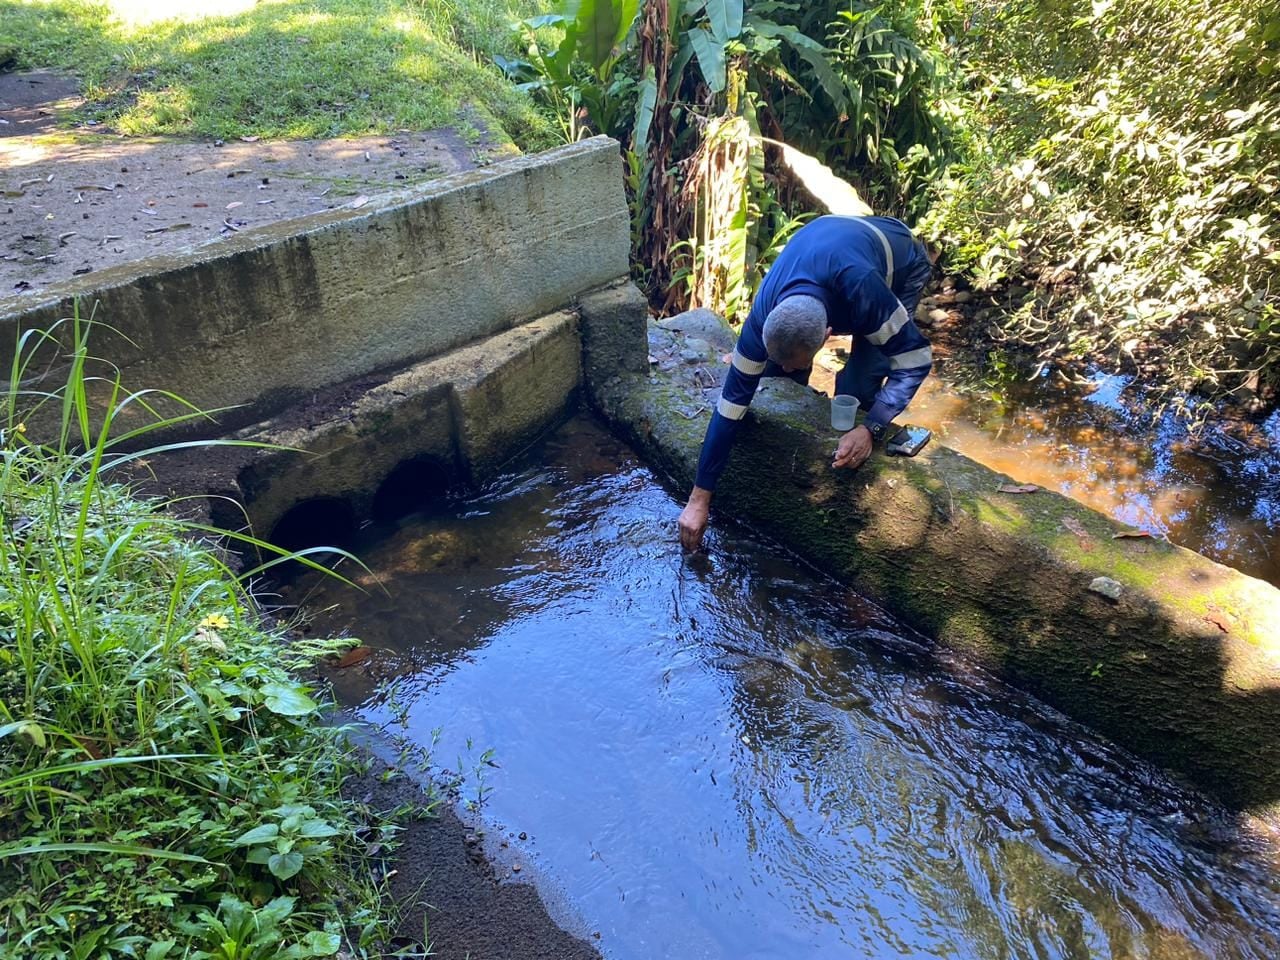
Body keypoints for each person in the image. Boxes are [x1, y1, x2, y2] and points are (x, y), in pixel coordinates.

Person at [677, 214, 934, 552]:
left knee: (859, 386)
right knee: (775, 376)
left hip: (896, 264)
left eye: (792, 360)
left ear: (828, 337)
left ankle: (864, 415)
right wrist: (699, 499)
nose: (783, 366)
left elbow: (915, 360)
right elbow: (730, 407)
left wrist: (872, 427)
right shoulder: (762, 319)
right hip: (829, 247)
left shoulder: (866, 292)